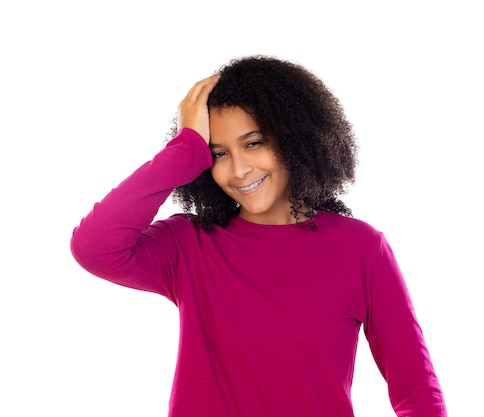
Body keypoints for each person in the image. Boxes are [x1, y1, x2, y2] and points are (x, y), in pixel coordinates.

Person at [70, 55, 447, 417]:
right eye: (218, 153)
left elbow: (415, 388)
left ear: (293, 139)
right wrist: (183, 151)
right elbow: (94, 247)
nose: (239, 169)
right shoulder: (191, 244)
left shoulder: (362, 248)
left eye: (253, 143)